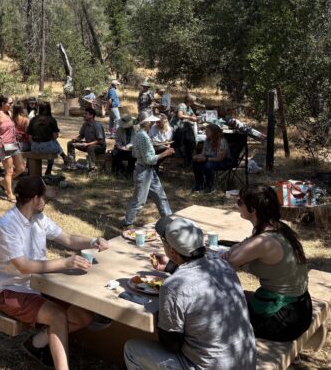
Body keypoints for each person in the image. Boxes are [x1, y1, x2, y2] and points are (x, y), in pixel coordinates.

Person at [0, 176, 109, 370]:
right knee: (57, 316)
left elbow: (69, 239)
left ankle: (37, 344)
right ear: (35, 199)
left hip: (41, 286)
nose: (46, 202)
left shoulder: (39, 218)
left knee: (85, 314)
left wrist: (93, 241)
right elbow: (23, 266)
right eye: (44, 198)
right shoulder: (7, 225)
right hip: (11, 291)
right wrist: (66, 262)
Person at [124, 217, 257, 370]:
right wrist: (171, 266)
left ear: (172, 251)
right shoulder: (223, 266)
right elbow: (198, 276)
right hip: (245, 361)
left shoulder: (173, 287)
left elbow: (171, 344)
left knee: (132, 349)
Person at [224, 185, 312, 342]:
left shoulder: (263, 241)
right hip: (301, 307)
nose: (238, 205)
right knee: (239, 296)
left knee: (219, 310)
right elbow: (242, 248)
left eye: (240, 202)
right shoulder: (278, 227)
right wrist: (238, 249)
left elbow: (227, 265)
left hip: (283, 318)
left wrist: (235, 251)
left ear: (252, 210)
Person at [121, 111, 174, 229]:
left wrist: (152, 147)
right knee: (139, 200)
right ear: (147, 123)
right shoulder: (143, 136)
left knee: (161, 196)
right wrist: (166, 152)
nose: (154, 124)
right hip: (144, 171)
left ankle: (169, 220)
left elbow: (135, 153)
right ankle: (127, 222)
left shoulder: (139, 134)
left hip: (148, 171)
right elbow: (149, 159)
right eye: (152, 122)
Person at [0, 95, 26, 203]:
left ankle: (3, 183)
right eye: (10, 103)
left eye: (12, 103)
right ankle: (9, 194)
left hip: (13, 144)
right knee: (9, 171)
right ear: (2, 103)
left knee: (21, 168)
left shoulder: (9, 113)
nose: (11, 105)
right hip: (3, 145)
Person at [27, 101, 72, 175]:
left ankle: (64, 157)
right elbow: (55, 136)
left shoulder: (33, 119)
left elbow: (29, 137)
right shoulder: (51, 120)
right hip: (48, 148)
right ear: (48, 109)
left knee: (52, 142)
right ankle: (49, 168)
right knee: (53, 142)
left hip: (34, 148)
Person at [191, 124, 231, 193]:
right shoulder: (207, 141)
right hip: (210, 159)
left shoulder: (222, 142)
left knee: (208, 165)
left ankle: (209, 186)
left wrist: (205, 159)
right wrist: (197, 156)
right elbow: (203, 153)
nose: (205, 132)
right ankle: (199, 184)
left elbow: (220, 158)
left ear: (213, 132)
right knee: (196, 162)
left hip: (224, 161)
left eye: (207, 131)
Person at [66, 107, 106, 171]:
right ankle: (72, 164)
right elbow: (81, 136)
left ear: (91, 115)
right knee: (70, 143)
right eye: (84, 114)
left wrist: (87, 144)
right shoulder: (85, 124)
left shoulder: (97, 125)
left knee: (90, 147)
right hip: (88, 144)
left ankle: (92, 168)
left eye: (86, 114)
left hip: (100, 147)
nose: (83, 115)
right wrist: (76, 139)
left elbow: (100, 140)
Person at [171, 94, 199, 168]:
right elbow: (180, 115)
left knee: (191, 142)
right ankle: (186, 161)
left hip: (184, 128)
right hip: (178, 128)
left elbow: (194, 116)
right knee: (184, 143)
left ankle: (188, 162)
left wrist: (194, 118)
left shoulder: (189, 107)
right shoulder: (182, 105)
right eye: (193, 101)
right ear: (190, 101)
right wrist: (190, 118)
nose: (194, 102)